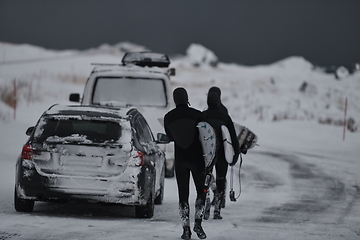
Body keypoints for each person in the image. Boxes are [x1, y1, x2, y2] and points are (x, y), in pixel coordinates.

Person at [164, 87, 207, 240]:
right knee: (201, 192)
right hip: (197, 160)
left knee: (183, 195)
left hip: (180, 160)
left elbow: (170, 136)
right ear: (186, 98)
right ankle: (198, 224)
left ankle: (186, 229)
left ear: (175, 99)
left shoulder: (168, 117)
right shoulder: (198, 115)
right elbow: (207, 137)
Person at [203, 91, 240, 219]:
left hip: (207, 153)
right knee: (220, 178)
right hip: (222, 154)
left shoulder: (203, 115)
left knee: (206, 178)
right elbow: (233, 139)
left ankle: (205, 200)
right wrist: (235, 155)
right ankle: (217, 209)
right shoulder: (225, 117)